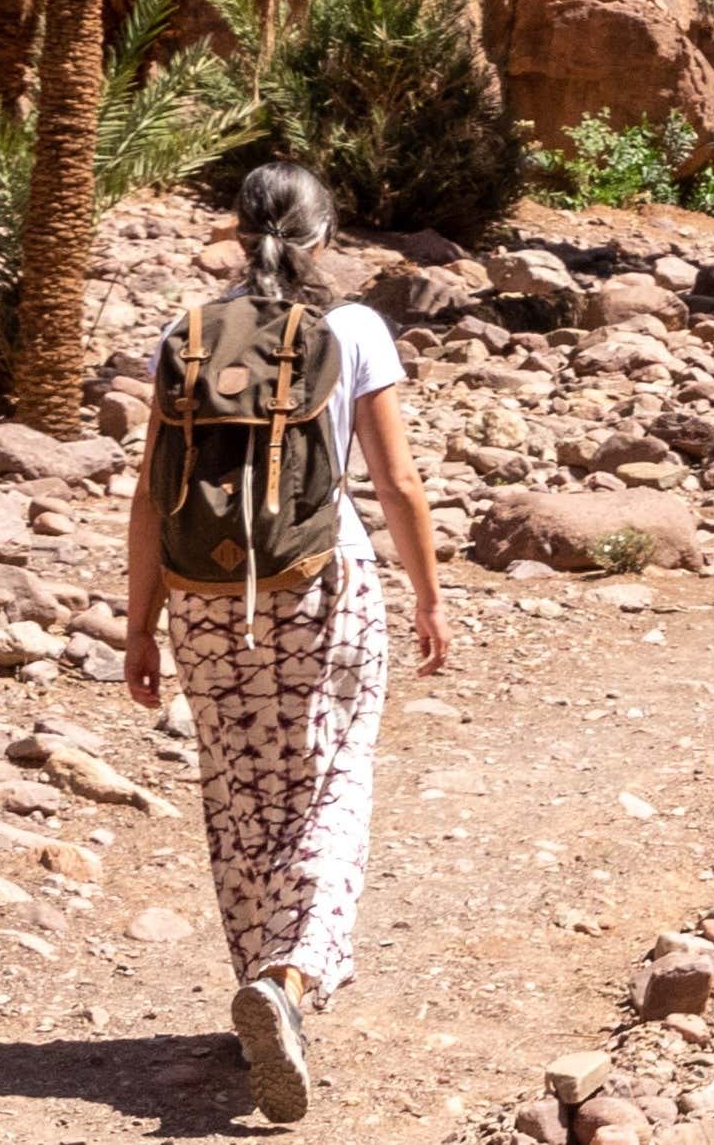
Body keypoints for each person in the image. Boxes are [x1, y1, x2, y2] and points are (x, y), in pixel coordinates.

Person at [124, 163, 452, 1123]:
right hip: (323, 585)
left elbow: (152, 492)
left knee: (240, 787)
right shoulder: (353, 329)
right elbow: (395, 481)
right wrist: (430, 595)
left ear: (237, 234)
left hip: (205, 599)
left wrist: (138, 624)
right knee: (333, 779)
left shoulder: (185, 335)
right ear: (323, 236)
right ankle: (292, 979)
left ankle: (261, 981)